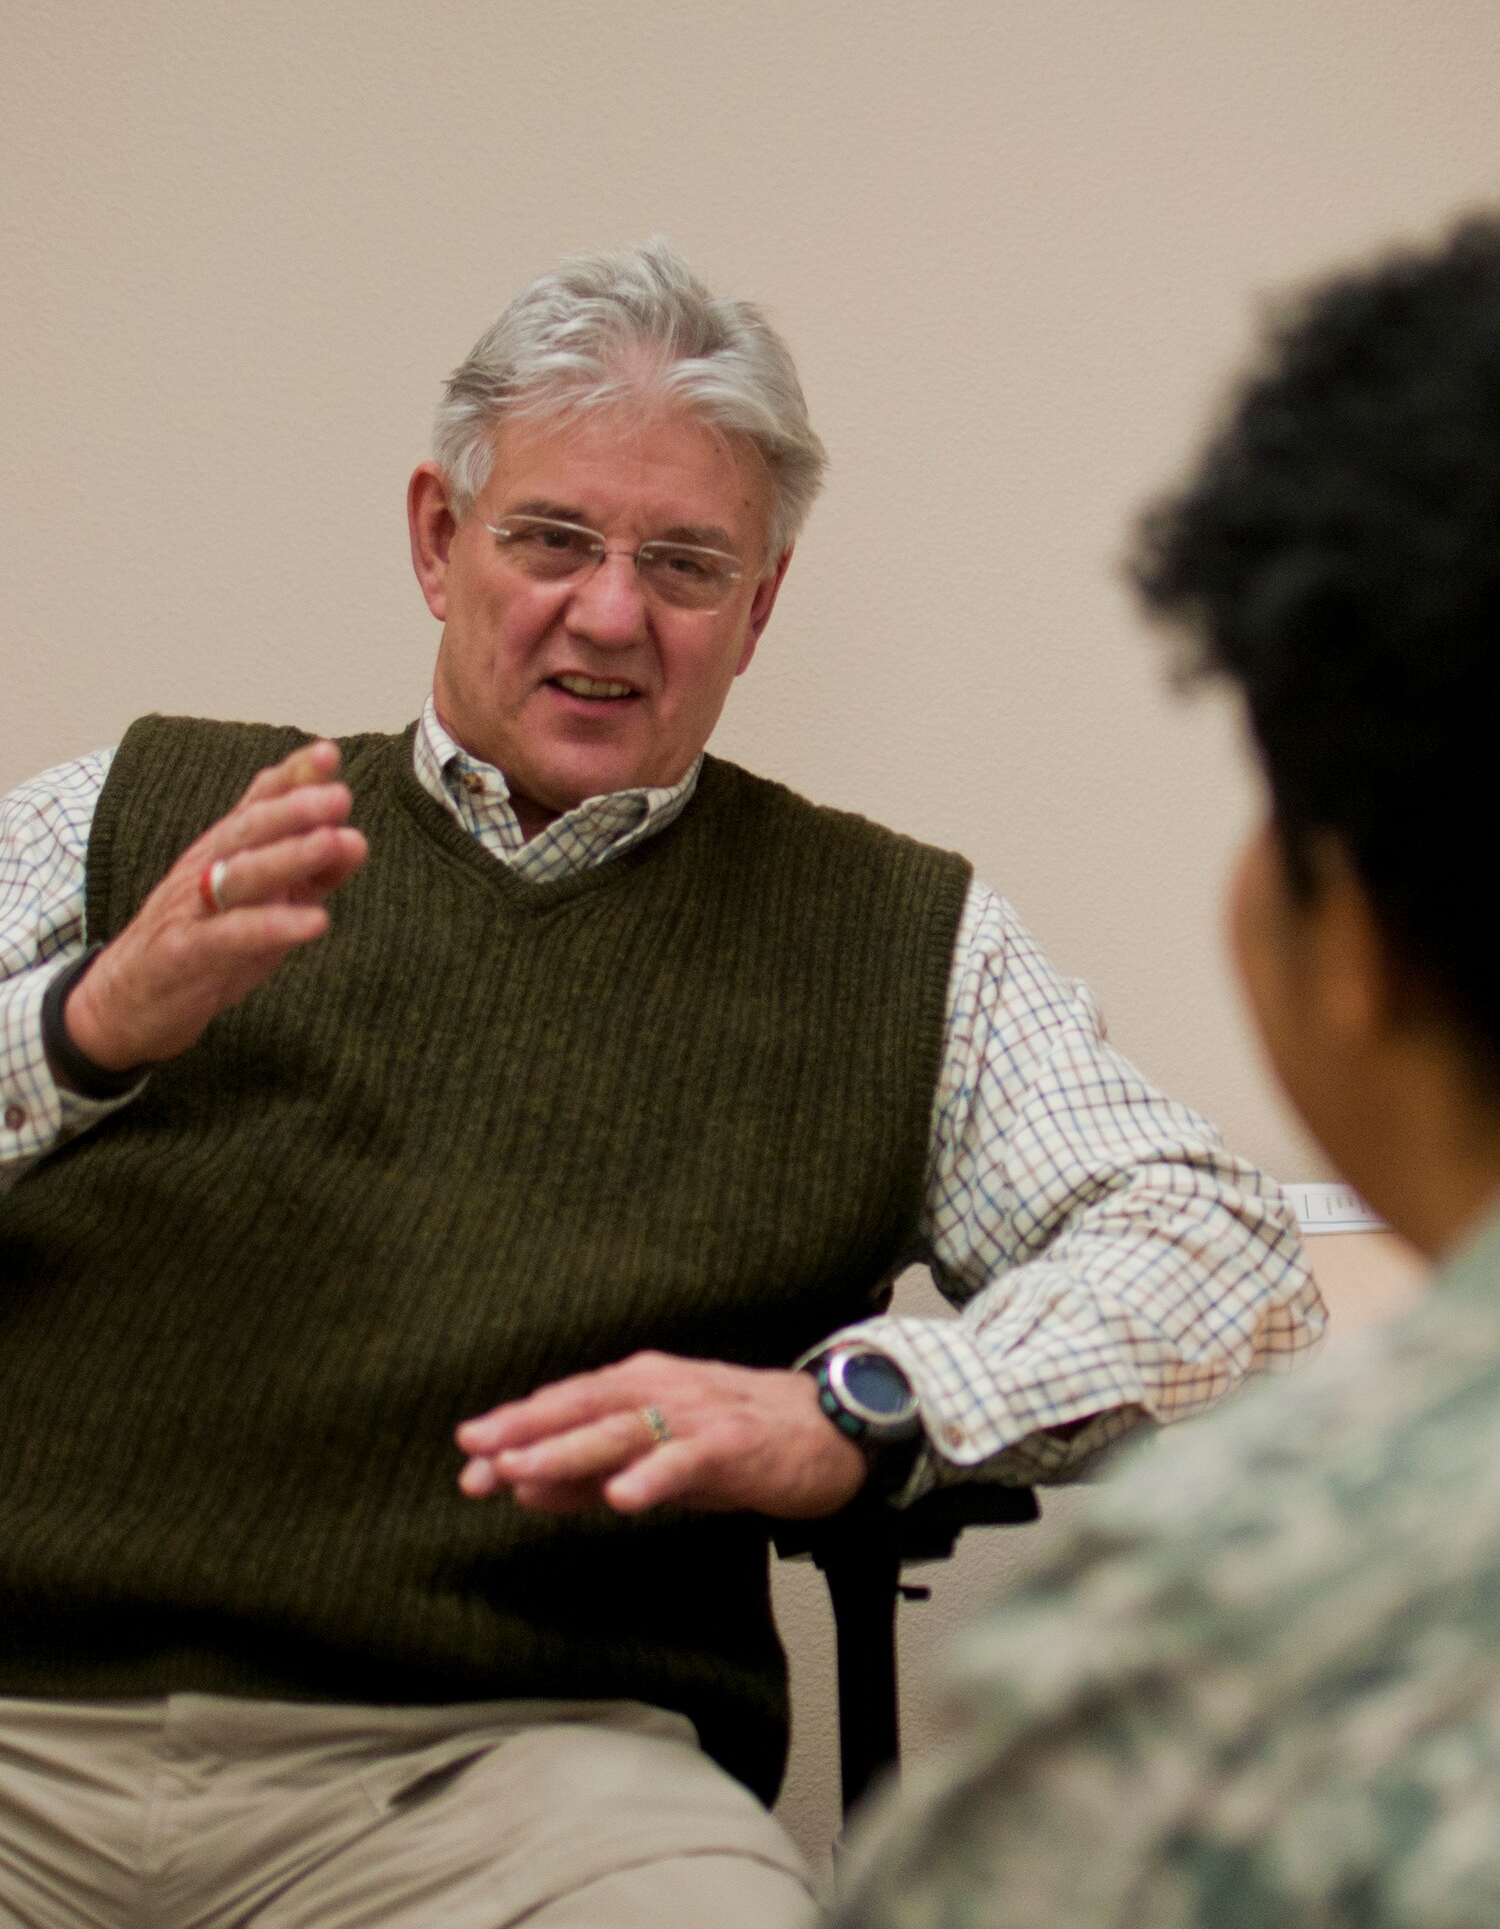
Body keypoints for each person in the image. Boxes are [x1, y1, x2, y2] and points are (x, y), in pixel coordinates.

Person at [0, 239, 1319, 1928]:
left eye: (684, 564)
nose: (610, 614)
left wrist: (866, 1410)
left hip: (518, 1774)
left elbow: (1233, 1267)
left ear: (760, 608)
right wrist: (84, 1029)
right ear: (436, 539)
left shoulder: (895, 938)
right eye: (552, 538)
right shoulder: (152, 811)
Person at [830, 213, 1500, 1929]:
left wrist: (869, 1400)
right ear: (437, 541)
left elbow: (1191, 1231)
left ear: (1343, 934)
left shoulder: (1214, 1645)